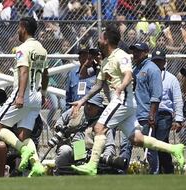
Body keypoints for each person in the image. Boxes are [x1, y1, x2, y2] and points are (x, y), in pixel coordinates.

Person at [70, 24, 185, 175]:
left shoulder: (121, 56)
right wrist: (81, 101)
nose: (98, 40)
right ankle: (174, 148)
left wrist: (121, 87)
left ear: (107, 41)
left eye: (100, 37)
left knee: (99, 128)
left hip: (122, 100)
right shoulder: (105, 61)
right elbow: (98, 85)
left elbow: (128, 75)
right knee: (136, 139)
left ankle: (92, 166)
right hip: (123, 103)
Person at [0, 17, 48, 177]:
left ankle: (24, 151)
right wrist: (43, 94)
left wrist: (20, 96)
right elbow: (45, 74)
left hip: (23, 95)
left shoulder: (22, 48)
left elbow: (23, 71)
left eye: (18, 27)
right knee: (23, 136)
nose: (17, 30)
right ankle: (36, 165)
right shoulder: (41, 49)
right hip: (37, 96)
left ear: (23, 28)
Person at [120, 42, 163, 174]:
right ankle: (121, 173)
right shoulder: (135, 69)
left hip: (144, 115)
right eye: (134, 51)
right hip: (131, 115)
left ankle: (154, 174)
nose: (135, 54)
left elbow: (156, 95)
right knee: (124, 146)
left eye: (138, 51)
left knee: (149, 149)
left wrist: (152, 114)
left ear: (146, 52)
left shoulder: (152, 69)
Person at [151, 49, 184, 173]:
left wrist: (178, 119)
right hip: (149, 113)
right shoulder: (148, 76)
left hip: (164, 114)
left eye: (160, 61)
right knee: (150, 145)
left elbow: (177, 100)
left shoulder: (171, 79)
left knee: (160, 142)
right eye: (155, 62)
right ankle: (159, 170)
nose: (157, 64)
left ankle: (167, 169)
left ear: (164, 62)